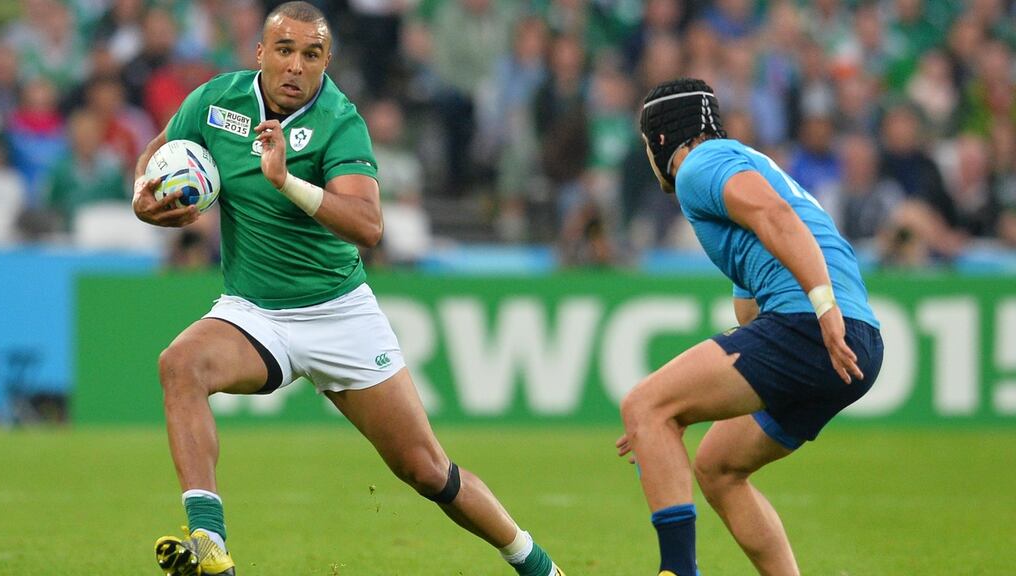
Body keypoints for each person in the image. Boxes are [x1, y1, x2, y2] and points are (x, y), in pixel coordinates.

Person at [131, 4, 565, 576]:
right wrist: (144, 197)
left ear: (326, 61)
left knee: (427, 469)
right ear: (260, 53)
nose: (295, 66)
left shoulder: (339, 120)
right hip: (253, 312)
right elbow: (157, 154)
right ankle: (211, 548)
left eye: (311, 55)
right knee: (179, 365)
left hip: (338, 314)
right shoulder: (214, 103)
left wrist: (286, 181)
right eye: (284, 50)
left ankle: (537, 565)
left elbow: (368, 226)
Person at [617, 78, 884, 576]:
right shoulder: (749, 165)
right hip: (859, 341)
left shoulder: (700, 164)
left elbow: (776, 216)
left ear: (658, 141)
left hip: (815, 325)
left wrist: (823, 309)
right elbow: (749, 316)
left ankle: (676, 572)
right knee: (717, 466)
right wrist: (669, 416)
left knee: (643, 404)